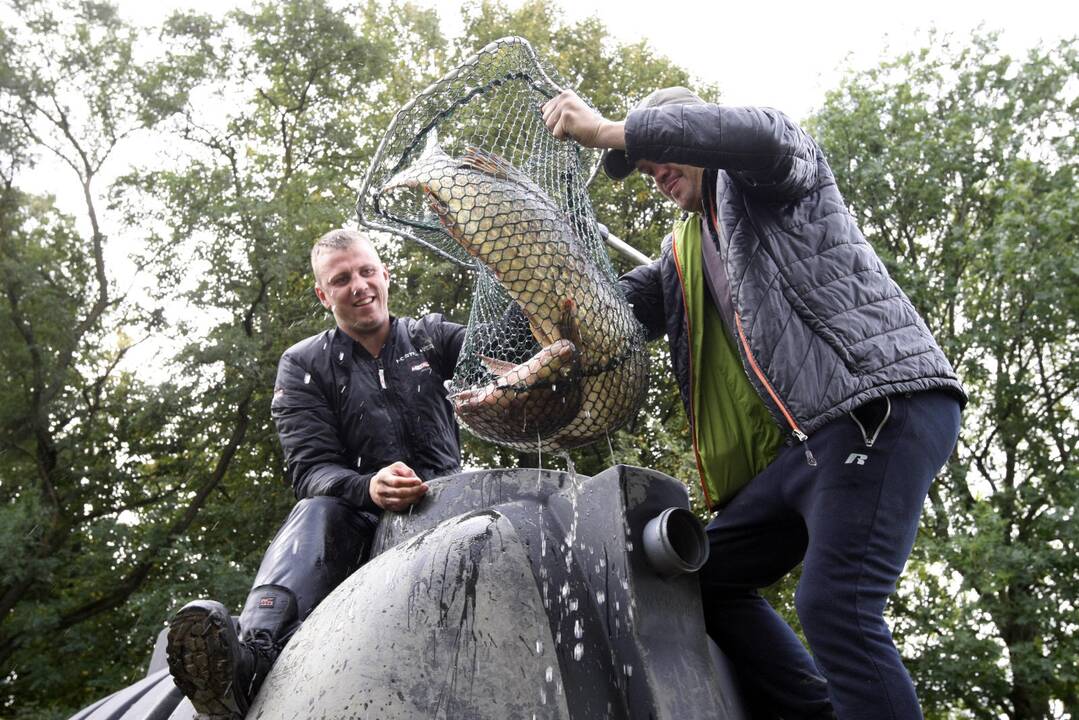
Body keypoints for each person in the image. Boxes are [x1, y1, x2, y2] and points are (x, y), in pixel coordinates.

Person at [542, 88, 966, 720]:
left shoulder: (769, 175)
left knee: (836, 604)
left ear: (695, 136)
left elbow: (760, 133)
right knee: (695, 582)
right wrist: (546, 321)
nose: (653, 170)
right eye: (644, 162)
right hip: (808, 451)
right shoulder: (680, 252)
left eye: (661, 151)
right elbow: (615, 315)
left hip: (874, 409)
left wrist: (607, 129)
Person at [165, 228, 465, 718]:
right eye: (342, 279)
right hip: (355, 527)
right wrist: (368, 486)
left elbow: (505, 353)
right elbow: (310, 469)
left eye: (367, 271)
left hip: (447, 509)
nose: (359, 286)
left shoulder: (431, 338)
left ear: (385, 274)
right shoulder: (303, 363)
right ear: (323, 295)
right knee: (315, 510)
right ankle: (251, 659)